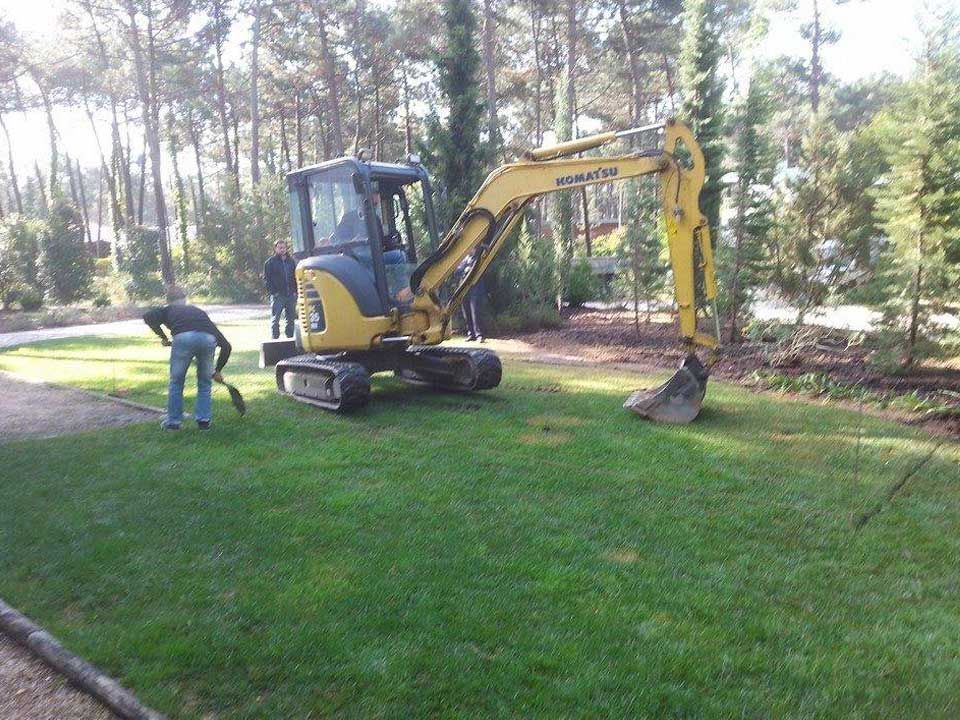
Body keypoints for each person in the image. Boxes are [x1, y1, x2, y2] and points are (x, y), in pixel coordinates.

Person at [143, 286, 232, 431]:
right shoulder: (199, 313)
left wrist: (163, 337)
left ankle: (173, 423)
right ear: (184, 299)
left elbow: (148, 317)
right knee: (205, 383)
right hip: (208, 339)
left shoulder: (167, 309)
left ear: (168, 301)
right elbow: (226, 346)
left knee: (176, 382)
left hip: (182, 339)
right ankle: (204, 422)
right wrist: (217, 371)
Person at [264, 239, 297, 339]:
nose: (282, 250)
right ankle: (275, 339)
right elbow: (267, 279)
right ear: (275, 249)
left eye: (284, 247)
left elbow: (295, 277)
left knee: (291, 319)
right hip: (278, 296)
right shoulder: (270, 262)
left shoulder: (291, 262)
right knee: (275, 319)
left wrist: (296, 291)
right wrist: (274, 292)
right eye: (280, 248)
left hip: (291, 295)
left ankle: (290, 339)